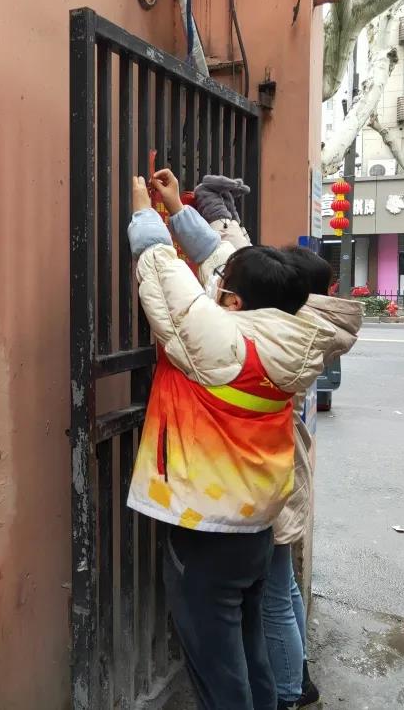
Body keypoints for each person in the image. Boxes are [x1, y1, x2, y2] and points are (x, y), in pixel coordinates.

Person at [126, 170, 341, 710]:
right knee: (249, 652)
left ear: (238, 304)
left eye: (224, 293)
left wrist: (146, 216)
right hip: (254, 527)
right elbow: (227, 263)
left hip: (208, 529)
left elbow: (169, 286)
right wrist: (180, 212)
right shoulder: (292, 332)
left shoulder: (227, 346)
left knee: (217, 669)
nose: (216, 292)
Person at [262, 247, 363, 710]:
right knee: (284, 587)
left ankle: (290, 691)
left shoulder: (294, 330)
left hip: (278, 464)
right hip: (288, 460)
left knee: (274, 596)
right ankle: (297, 675)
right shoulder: (315, 323)